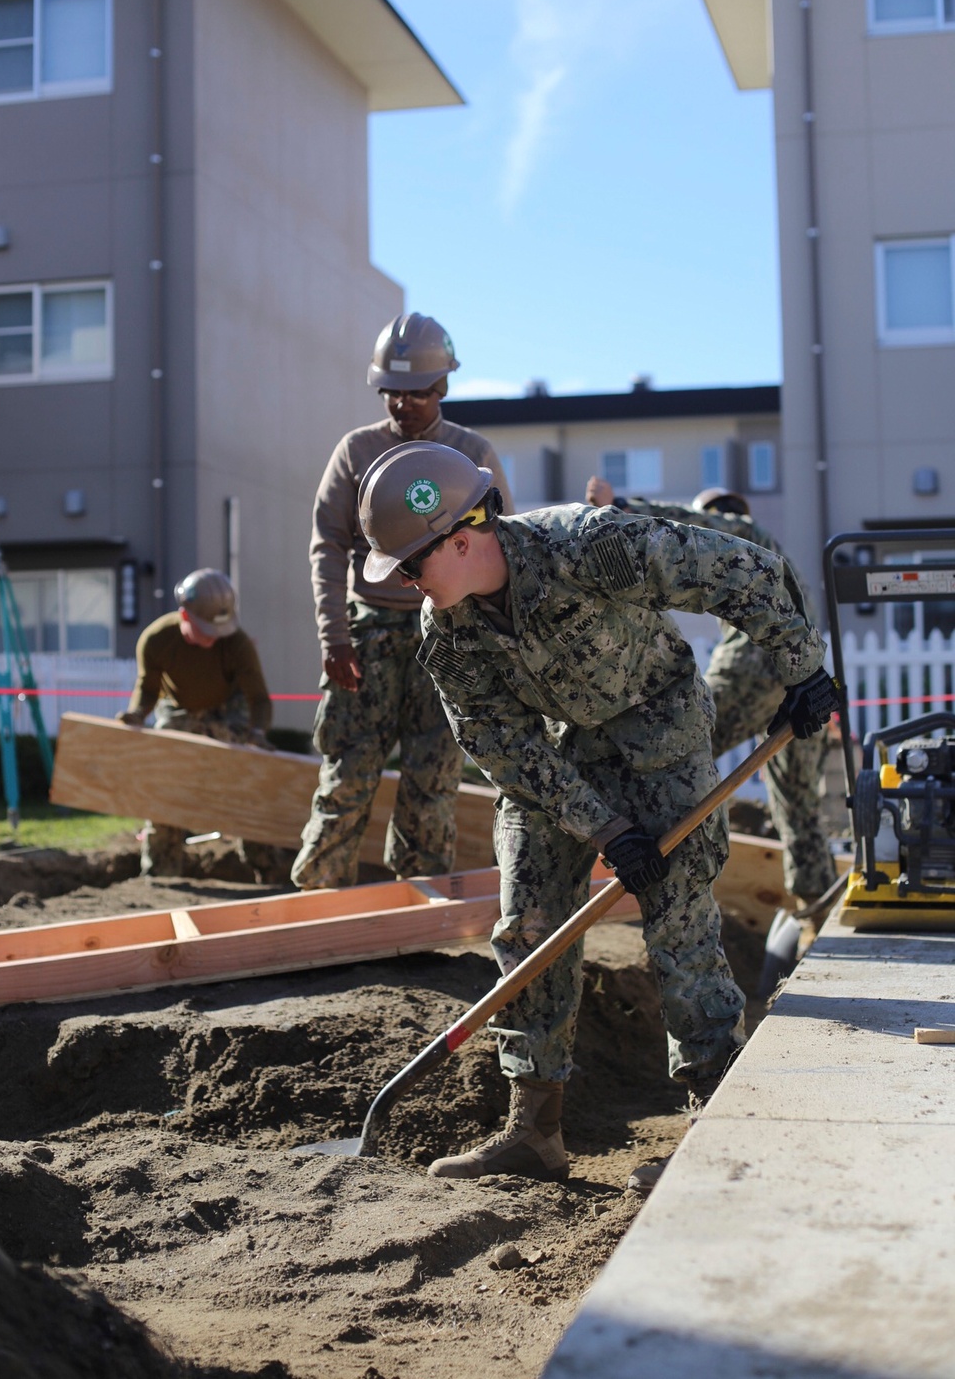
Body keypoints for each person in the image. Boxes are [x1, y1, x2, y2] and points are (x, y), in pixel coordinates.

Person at [357, 441, 837, 1182]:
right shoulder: (446, 632)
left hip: (658, 735)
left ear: (460, 538)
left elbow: (743, 569)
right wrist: (605, 828)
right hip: (559, 759)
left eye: (413, 567)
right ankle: (534, 1132)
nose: (411, 587)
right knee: (528, 920)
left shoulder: (589, 545)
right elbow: (499, 743)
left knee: (678, 911)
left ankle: (714, 1119)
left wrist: (802, 670)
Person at [291, 314, 513, 891]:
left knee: (432, 777)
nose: (402, 403)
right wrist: (334, 636)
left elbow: (505, 549)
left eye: (416, 392)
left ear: (442, 389)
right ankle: (319, 898)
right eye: (391, 390)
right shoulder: (356, 451)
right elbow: (327, 545)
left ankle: (419, 907)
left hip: (449, 635)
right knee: (347, 772)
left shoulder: (471, 454)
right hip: (368, 633)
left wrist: (497, 645)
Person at [585, 479, 836, 904]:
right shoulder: (779, 561)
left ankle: (653, 868)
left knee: (675, 760)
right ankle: (815, 901)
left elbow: (685, 523)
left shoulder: (742, 534)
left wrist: (623, 505)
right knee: (799, 799)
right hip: (802, 680)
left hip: (752, 673)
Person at [119, 568, 276, 880]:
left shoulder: (236, 643)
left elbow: (259, 699)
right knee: (165, 783)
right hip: (179, 710)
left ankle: (267, 866)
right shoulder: (156, 639)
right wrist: (136, 714)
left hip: (227, 711)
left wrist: (256, 735)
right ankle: (161, 874)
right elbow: (148, 688)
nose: (213, 639)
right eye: (205, 631)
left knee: (249, 782)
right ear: (184, 616)